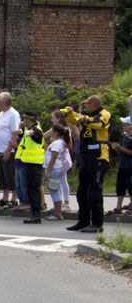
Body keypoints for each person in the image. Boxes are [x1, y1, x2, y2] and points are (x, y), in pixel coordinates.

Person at [66, 95, 111, 233]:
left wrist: (84, 118)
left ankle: (97, 224)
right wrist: (70, 113)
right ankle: (83, 221)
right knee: (82, 192)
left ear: (94, 104)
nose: (85, 106)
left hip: (99, 157)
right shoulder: (86, 116)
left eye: (87, 104)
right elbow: (74, 120)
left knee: (94, 192)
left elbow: (99, 124)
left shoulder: (104, 113)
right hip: (86, 158)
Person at [0, 92, 20, 208]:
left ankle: (14, 199)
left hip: (8, 151)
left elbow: (15, 133)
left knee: (10, 174)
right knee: (1, 176)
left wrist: (8, 150)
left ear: (5, 102)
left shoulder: (13, 114)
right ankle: (5, 197)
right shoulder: (1, 114)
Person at [15, 111, 44, 224]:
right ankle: (34, 213)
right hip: (28, 162)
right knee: (31, 189)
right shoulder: (28, 130)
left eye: (25, 119)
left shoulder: (37, 129)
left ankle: (36, 215)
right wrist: (21, 133)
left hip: (34, 163)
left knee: (34, 190)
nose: (24, 121)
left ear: (31, 119)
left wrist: (31, 133)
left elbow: (37, 135)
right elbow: (25, 140)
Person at [44, 125, 72, 221]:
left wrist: (48, 172)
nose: (50, 132)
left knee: (54, 191)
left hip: (54, 169)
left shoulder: (56, 143)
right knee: (56, 190)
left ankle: (58, 214)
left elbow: (53, 158)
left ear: (56, 133)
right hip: (57, 168)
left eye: (52, 130)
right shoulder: (61, 142)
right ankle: (58, 212)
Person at [110, 117, 132, 214]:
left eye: (125, 125)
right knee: (120, 186)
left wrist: (120, 148)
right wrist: (117, 149)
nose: (124, 127)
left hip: (130, 166)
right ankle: (118, 206)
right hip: (122, 164)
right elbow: (122, 152)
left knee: (131, 186)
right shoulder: (123, 136)